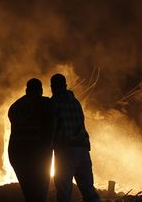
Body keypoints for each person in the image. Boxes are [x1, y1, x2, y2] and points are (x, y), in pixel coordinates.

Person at [50, 73, 100, 202]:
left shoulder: (53, 103)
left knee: (63, 190)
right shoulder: (75, 102)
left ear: (52, 87)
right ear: (65, 86)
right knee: (88, 189)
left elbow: (52, 127)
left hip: (66, 151)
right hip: (82, 149)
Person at [8, 78, 55, 202]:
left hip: (16, 153)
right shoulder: (45, 103)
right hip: (38, 152)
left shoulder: (15, 106)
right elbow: (53, 123)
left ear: (26, 90)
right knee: (40, 190)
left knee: (28, 191)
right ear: (41, 90)